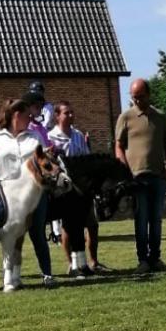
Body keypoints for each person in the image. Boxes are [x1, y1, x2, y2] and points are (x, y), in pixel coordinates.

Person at [0, 98, 56, 286]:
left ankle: (47, 273)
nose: (30, 119)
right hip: (5, 197)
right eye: (27, 116)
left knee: (37, 233)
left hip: (34, 194)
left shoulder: (34, 137)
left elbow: (43, 160)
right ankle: (14, 276)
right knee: (12, 236)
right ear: (16, 116)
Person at [115, 78, 166, 276]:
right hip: (136, 178)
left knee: (156, 220)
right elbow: (118, 146)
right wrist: (124, 170)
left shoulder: (160, 117)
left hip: (157, 176)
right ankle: (143, 260)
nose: (137, 101)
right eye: (134, 98)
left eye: (141, 97)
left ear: (149, 95)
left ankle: (155, 258)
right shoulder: (126, 117)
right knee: (141, 220)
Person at [49, 101, 106, 274]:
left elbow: (87, 160)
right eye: (67, 113)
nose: (71, 115)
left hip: (83, 190)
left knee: (92, 225)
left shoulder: (78, 135)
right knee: (69, 227)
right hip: (65, 191)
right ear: (57, 116)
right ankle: (71, 264)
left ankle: (93, 261)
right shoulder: (51, 138)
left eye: (72, 112)